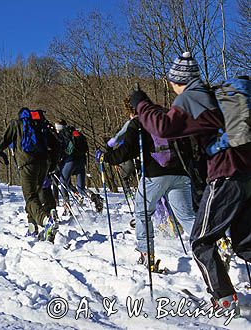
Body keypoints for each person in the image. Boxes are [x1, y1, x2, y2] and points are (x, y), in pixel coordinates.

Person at [130, 51, 251, 312]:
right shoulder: (213, 96)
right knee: (245, 241)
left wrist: (141, 104)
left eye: (171, 81)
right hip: (245, 172)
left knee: (201, 241)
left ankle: (225, 300)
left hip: (225, 173)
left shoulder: (191, 97)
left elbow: (162, 127)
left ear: (177, 80)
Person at [96, 95, 196, 272]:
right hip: (181, 173)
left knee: (142, 212)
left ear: (132, 110)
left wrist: (106, 157)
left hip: (155, 175)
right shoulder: (168, 116)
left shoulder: (138, 122)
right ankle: (214, 244)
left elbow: (126, 151)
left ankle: (146, 253)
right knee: (187, 217)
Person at [0, 107, 60, 241]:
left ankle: (46, 221)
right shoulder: (42, 125)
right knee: (34, 195)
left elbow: (0, 145)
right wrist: (52, 165)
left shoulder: (16, 124)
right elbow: (56, 145)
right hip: (44, 164)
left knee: (30, 198)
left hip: (27, 164)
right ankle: (32, 227)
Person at [55, 120, 89, 210]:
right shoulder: (75, 132)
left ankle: (66, 204)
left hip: (70, 161)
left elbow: (60, 150)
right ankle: (92, 197)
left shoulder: (62, 135)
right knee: (81, 187)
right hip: (81, 161)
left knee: (63, 183)